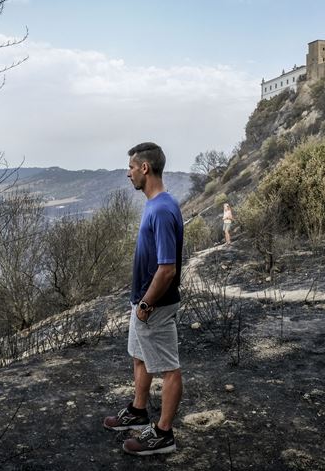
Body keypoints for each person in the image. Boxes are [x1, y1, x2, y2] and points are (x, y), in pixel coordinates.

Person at [103, 142, 184, 456]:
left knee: (168, 368)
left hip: (156, 306)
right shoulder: (155, 203)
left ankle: (164, 434)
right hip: (144, 303)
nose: (128, 174)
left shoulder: (162, 210)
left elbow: (167, 269)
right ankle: (138, 412)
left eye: (132, 168)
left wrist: (147, 306)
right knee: (140, 357)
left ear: (145, 168)